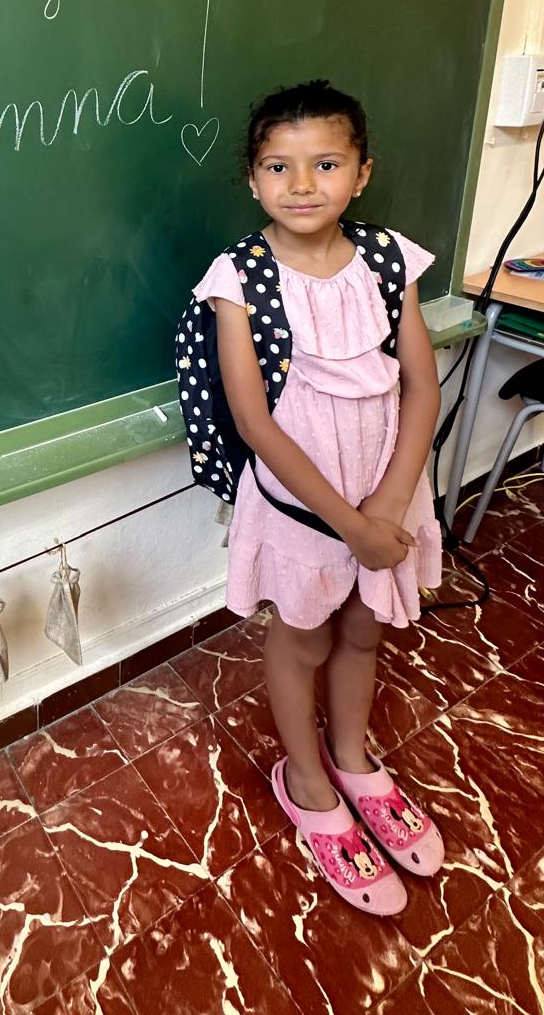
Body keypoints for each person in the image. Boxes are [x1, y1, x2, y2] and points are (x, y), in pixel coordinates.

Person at [191, 80, 445, 915]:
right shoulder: (239, 279)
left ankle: (353, 759)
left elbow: (421, 386)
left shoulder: (387, 260)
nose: (302, 184)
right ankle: (305, 780)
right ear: (253, 179)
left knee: (364, 628)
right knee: (303, 635)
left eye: (326, 164)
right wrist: (350, 525)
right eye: (279, 166)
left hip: (385, 493)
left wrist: (390, 507)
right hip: (307, 507)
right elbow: (254, 423)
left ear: (362, 173)